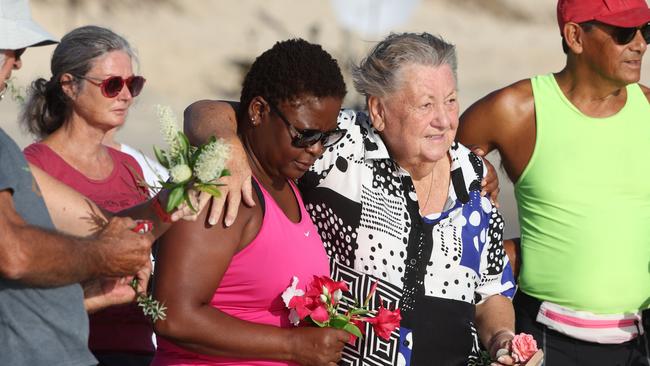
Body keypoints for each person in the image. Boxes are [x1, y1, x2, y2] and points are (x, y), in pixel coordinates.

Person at [184, 33, 516, 366]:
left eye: (451, 101)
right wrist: (227, 146)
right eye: (426, 104)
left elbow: (490, 291)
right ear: (378, 110)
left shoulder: (472, 175)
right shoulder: (338, 143)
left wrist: (503, 340)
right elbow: (207, 112)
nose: (444, 120)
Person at [457, 0, 650, 364]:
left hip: (638, 343)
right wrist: (477, 173)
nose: (640, 44)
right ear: (575, 36)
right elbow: (427, 176)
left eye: (646, 31)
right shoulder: (513, 111)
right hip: (545, 340)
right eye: (625, 33)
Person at [151, 38, 349, 366]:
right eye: (306, 134)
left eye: (327, 137)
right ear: (257, 112)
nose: (317, 149)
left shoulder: (285, 183)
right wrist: (294, 347)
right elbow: (173, 316)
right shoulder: (222, 184)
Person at [20, 25, 155, 366]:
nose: (126, 96)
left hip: (140, 348)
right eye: (113, 85)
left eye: (132, 84)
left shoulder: (129, 166)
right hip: (73, 350)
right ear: (69, 86)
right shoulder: (34, 167)